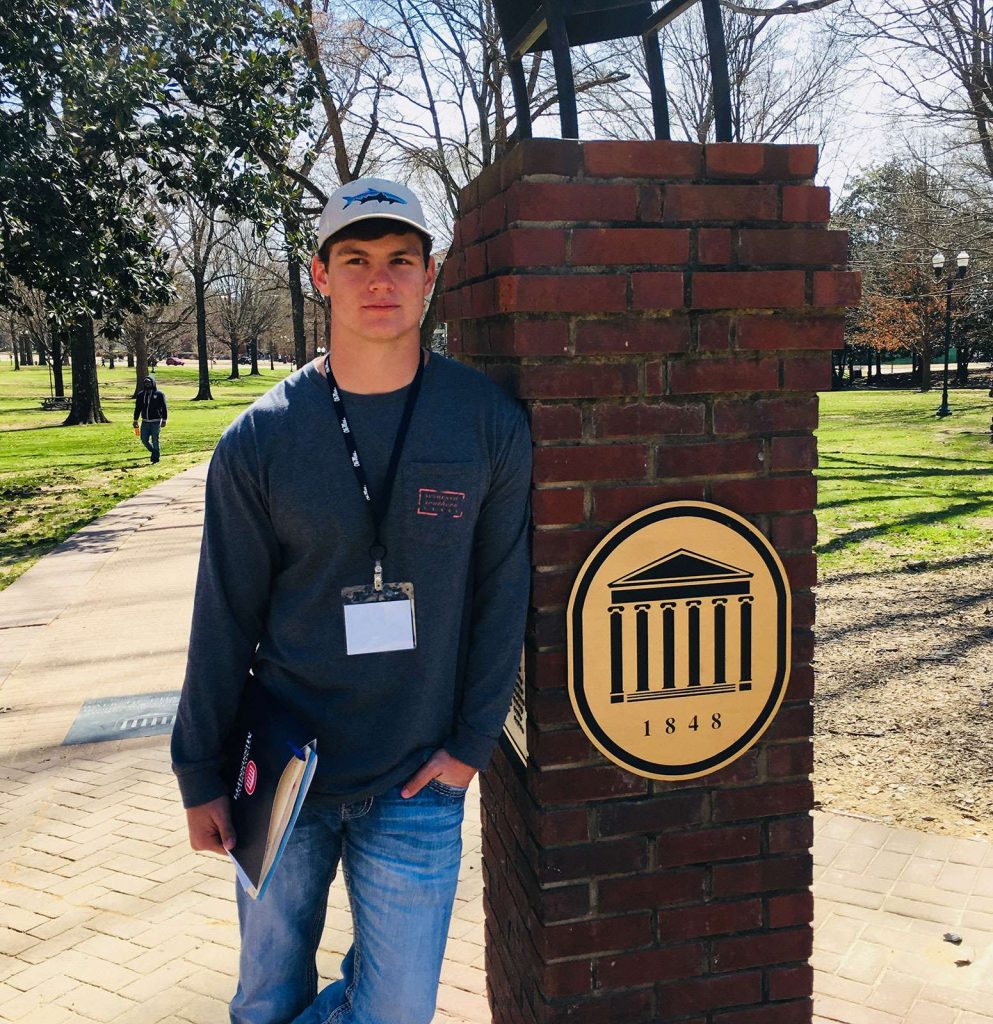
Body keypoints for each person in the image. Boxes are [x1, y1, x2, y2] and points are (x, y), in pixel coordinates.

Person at [170, 177, 532, 1024]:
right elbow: (222, 614)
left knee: (397, 1010)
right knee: (265, 999)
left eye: (400, 260)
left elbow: (501, 590)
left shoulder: (484, 423)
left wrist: (472, 742)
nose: (380, 279)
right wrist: (199, 772)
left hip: (418, 777)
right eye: (356, 258)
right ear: (319, 275)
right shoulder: (260, 438)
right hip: (283, 772)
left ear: (429, 273)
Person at [132, 374, 168, 464]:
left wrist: (164, 419)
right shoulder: (141, 395)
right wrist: (135, 420)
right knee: (144, 439)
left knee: (155, 439)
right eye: (145, 382)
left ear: (153, 383)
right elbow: (138, 408)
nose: (147, 384)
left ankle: (156, 458)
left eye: (149, 382)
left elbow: (164, 407)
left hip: (156, 421)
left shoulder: (159, 394)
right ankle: (154, 452)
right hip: (145, 421)